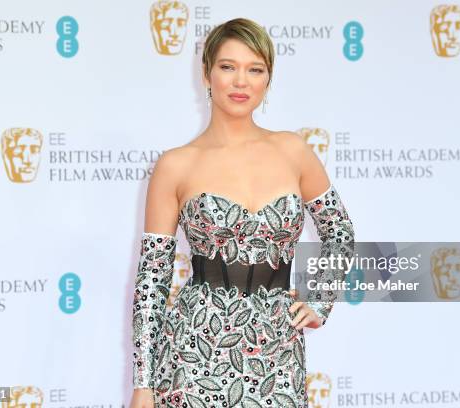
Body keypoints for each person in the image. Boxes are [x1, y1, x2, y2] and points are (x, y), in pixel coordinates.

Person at [130, 17, 355, 408]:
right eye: (227, 66)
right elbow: (152, 281)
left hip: (277, 347)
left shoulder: (293, 151)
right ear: (206, 74)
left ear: (268, 80)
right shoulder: (175, 165)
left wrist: (322, 299)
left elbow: (339, 231)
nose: (241, 81)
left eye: (255, 69)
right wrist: (143, 386)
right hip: (194, 346)